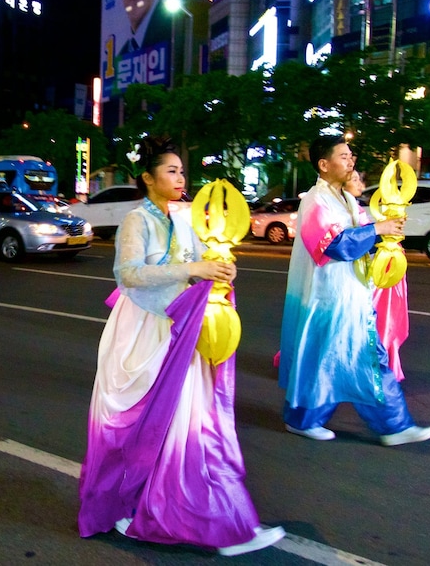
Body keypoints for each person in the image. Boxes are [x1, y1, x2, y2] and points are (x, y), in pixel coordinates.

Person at [78, 137, 285, 556]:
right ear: (148, 178)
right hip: (144, 330)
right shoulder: (137, 220)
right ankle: (149, 510)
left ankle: (209, 516)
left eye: (181, 171)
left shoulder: (188, 216)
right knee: (152, 425)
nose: (179, 178)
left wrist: (218, 270)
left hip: (182, 326)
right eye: (170, 171)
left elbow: (199, 262)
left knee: (189, 423)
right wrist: (195, 268)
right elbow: (129, 275)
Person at [278, 136, 430, 446]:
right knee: (344, 359)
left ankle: (306, 419)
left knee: (334, 359)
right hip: (328, 299)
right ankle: (393, 425)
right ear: (324, 165)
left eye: (351, 156)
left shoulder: (347, 201)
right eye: (343, 156)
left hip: (351, 296)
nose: (351, 161)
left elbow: (363, 238)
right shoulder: (315, 200)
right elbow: (331, 245)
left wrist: (386, 236)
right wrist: (378, 229)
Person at [344, 171, 410, 382]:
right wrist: (381, 233)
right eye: (354, 179)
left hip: (370, 272)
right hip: (354, 276)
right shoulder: (338, 209)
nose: (360, 184)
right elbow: (351, 241)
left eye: (360, 179)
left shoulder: (356, 208)